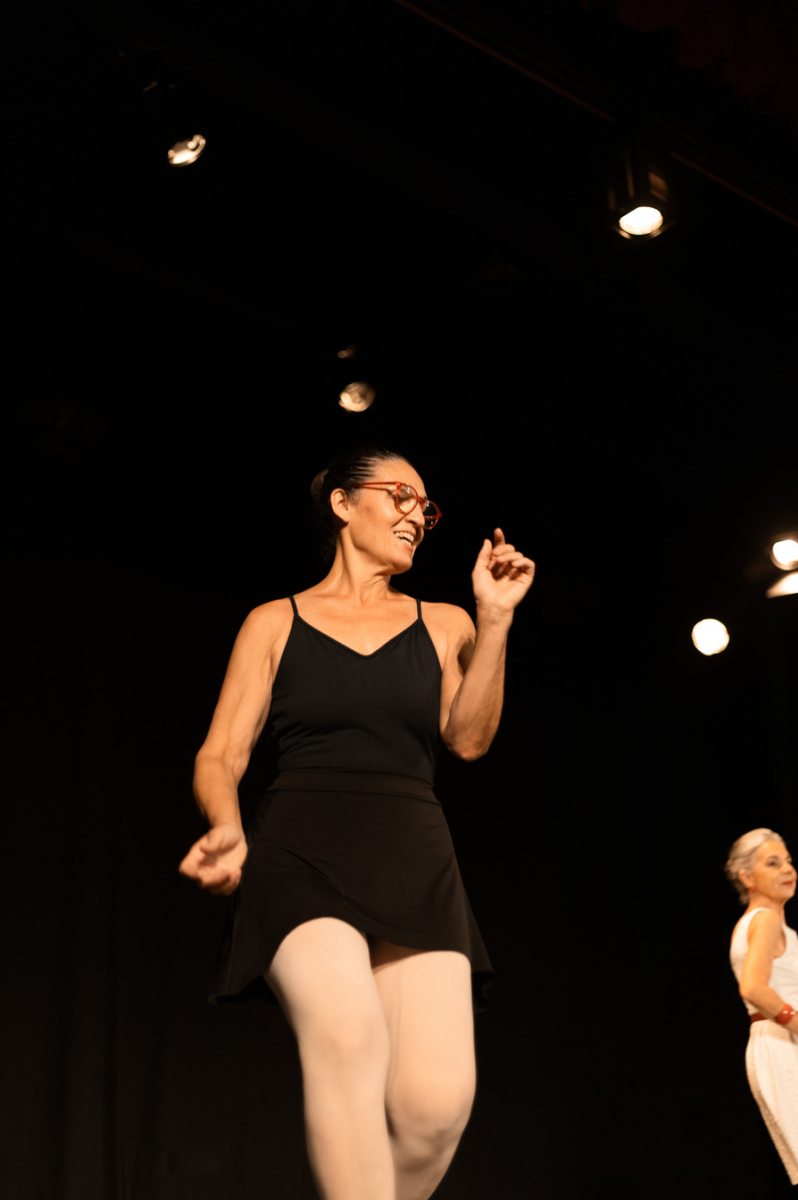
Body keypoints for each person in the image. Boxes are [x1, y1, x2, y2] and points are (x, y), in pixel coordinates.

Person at [178, 443, 535, 1200]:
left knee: (436, 1107)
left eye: (426, 508)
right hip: (300, 855)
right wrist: (227, 826)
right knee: (349, 1035)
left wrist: (495, 618)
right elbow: (221, 754)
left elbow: (469, 739)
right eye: (400, 496)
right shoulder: (275, 621)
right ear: (343, 504)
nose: (417, 516)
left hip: (415, 859)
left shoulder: (445, 623)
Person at [727, 827, 798, 1185]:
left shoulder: (754, 923)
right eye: (772, 863)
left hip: (775, 1042)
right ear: (747, 877)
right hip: (783, 1042)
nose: (787, 870)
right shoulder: (766, 920)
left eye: (788, 861)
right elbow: (753, 987)